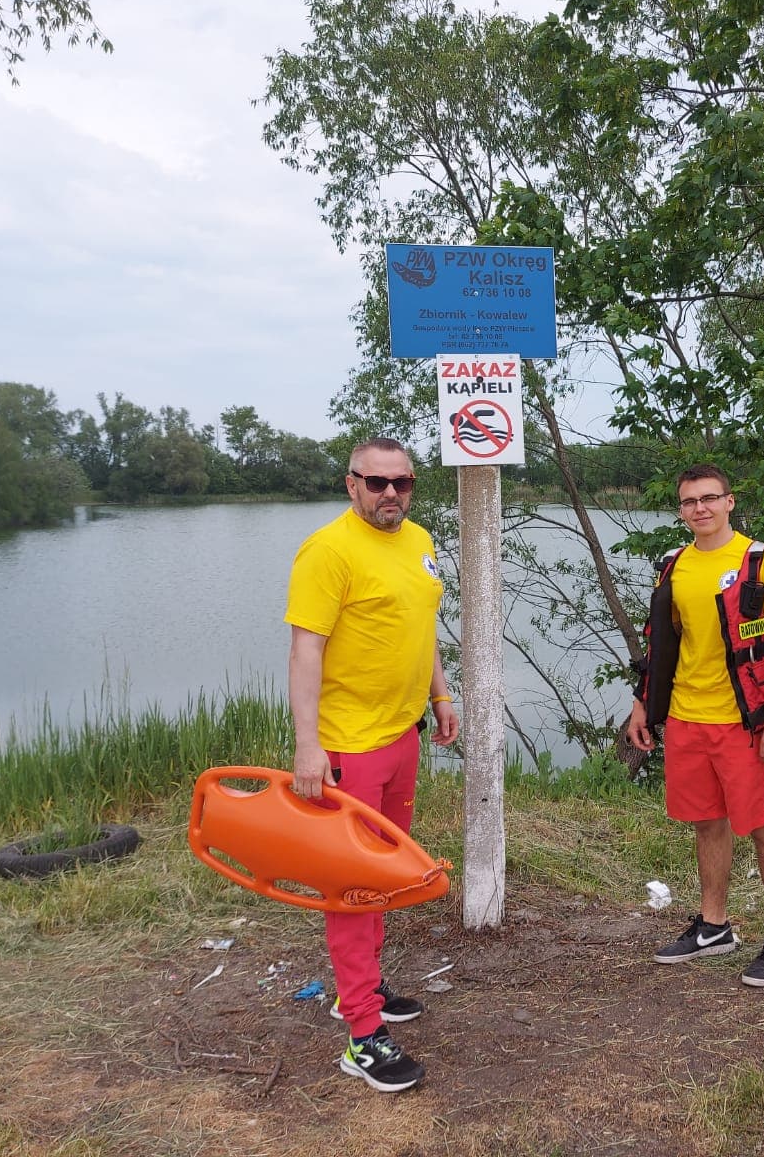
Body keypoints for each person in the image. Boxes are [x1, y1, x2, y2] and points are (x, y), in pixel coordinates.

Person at [285, 438, 458, 1093]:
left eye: (402, 483)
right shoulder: (327, 551)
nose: (390, 494)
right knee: (353, 887)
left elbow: (423, 625)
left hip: (401, 736)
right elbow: (306, 651)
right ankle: (361, 1033)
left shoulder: (419, 540)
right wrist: (309, 746)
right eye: (377, 483)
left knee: (381, 877)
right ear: (351, 484)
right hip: (347, 747)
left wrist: (440, 695)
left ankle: (364, 987)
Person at [627, 464, 764, 987]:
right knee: (707, 822)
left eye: (709, 498)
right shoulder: (674, 566)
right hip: (686, 717)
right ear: (680, 509)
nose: (699, 509)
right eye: (689, 502)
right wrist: (643, 704)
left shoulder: (762, 562)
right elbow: (662, 646)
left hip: (746, 723)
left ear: (730, 501)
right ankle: (714, 925)